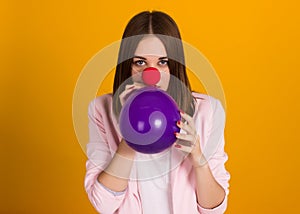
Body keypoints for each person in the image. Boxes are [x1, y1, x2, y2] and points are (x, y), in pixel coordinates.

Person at [84, 11, 230, 214]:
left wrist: (197, 158)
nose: (151, 75)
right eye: (140, 62)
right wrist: (130, 132)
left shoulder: (208, 111)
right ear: (127, 66)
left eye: (163, 62)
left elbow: (214, 209)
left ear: (174, 65)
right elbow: (104, 205)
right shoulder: (101, 110)